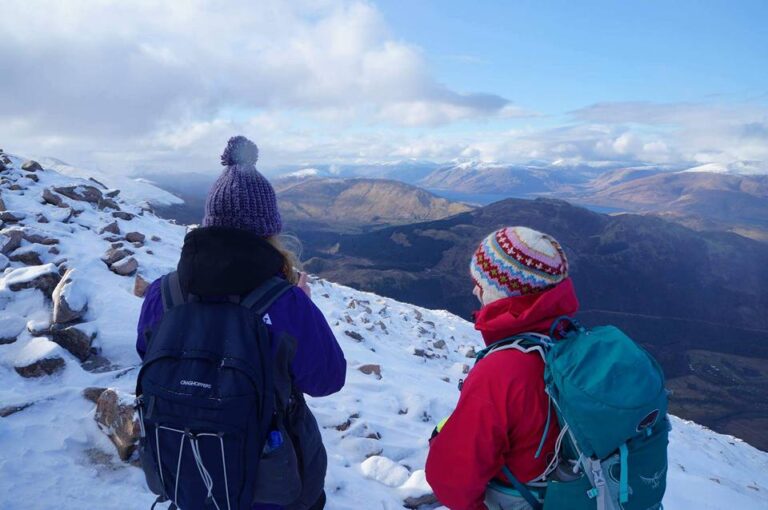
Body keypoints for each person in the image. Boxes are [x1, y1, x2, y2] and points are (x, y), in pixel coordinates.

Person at [135, 136, 346, 510]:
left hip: (188, 471)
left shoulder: (162, 294)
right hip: (273, 484)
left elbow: (147, 355)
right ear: (269, 229)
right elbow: (328, 379)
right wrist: (302, 311)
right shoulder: (285, 304)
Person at [425, 226, 578, 510]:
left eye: (481, 283)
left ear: (505, 290)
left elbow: (452, 476)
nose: (474, 289)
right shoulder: (569, 339)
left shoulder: (503, 370)